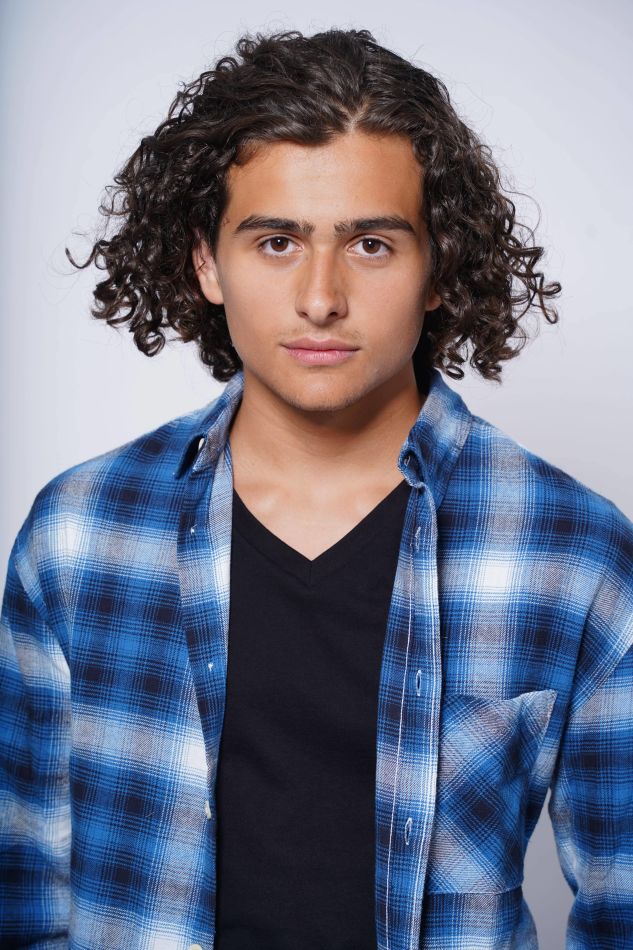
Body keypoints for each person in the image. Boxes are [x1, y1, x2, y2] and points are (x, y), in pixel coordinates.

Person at [1, 26, 631, 950]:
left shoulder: (572, 551)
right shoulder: (81, 533)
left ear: (438, 267)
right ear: (207, 263)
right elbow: (24, 898)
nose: (321, 297)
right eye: (275, 242)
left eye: (370, 244)